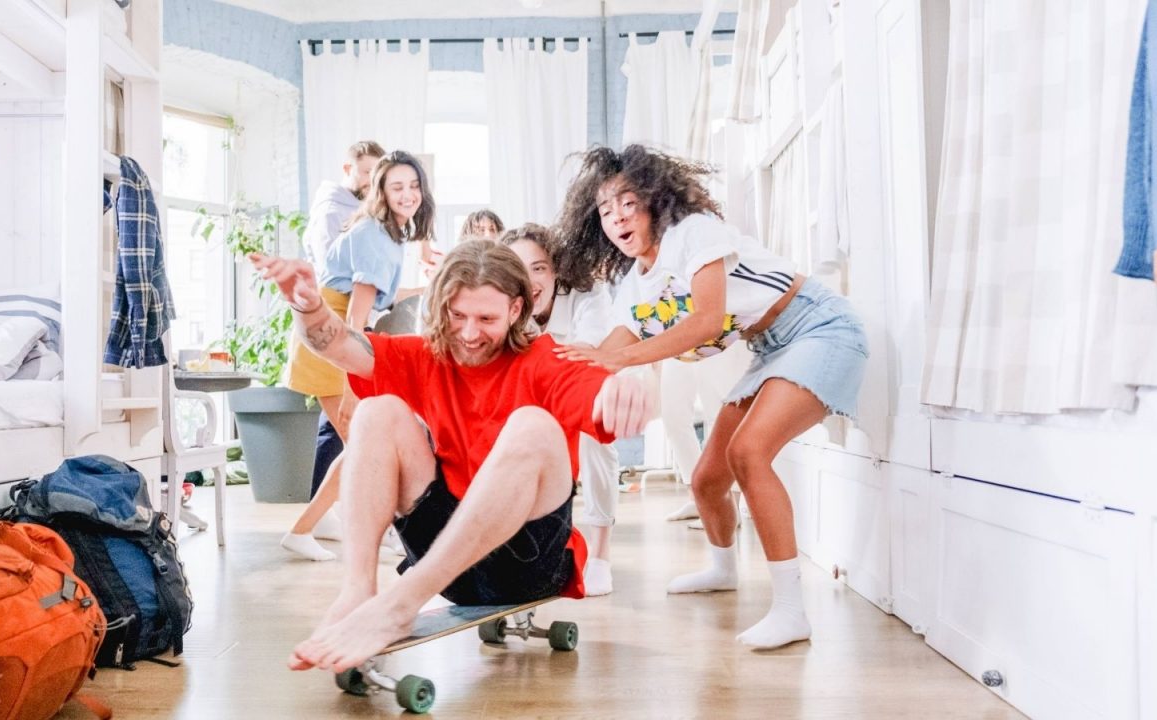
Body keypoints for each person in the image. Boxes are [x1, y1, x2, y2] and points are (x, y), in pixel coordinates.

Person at [250, 240, 655, 673]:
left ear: (517, 310)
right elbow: (339, 347)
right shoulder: (428, 356)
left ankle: (400, 604)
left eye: (486, 319)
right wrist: (309, 306)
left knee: (533, 425)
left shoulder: (547, 360)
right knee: (376, 411)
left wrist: (626, 385)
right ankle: (358, 591)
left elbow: (598, 392)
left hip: (528, 562)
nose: (468, 333)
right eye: (457, 315)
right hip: (447, 560)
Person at [552, 145, 868, 649]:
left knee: (748, 453)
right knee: (706, 479)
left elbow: (705, 320)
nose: (617, 219)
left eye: (627, 203)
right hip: (769, 346)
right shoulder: (637, 281)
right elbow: (608, 350)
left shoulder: (693, 233)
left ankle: (792, 611)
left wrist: (622, 360)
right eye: (605, 212)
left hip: (818, 327)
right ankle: (723, 569)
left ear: (655, 200)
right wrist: (559, 363)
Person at [279, 150, 435, 562]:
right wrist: (353, 384)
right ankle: (335, 530)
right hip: (332, 338)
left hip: (331, 333)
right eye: (397, 186)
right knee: (364, 447)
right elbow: (356, 317)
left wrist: (425, 287)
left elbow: (375, 297)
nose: (408, 194)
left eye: (414, 186)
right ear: (380, 190)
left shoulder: (388, 234)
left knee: (359, 447)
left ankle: (318, 526)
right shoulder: (376, 236)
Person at [499, 223, 619, 596]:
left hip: (596, 373)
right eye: (520, 268)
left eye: (540, 267)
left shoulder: (587, 296)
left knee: (594, 440)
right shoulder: (506, 302)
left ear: (556, 270)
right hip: (541, 382)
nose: (531, 278)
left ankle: (600, 554)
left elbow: (586, 354)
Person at [297, 140, 386, 540]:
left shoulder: (361, 213)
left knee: (341, 431)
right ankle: (365, 522)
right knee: (355, 436)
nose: (370, 180)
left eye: (374, 173)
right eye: (365, 172)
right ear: (347, 167)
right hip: (331, 321)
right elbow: (335, 271)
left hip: (342, 324)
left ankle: (316, 519)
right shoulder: (332, 211)